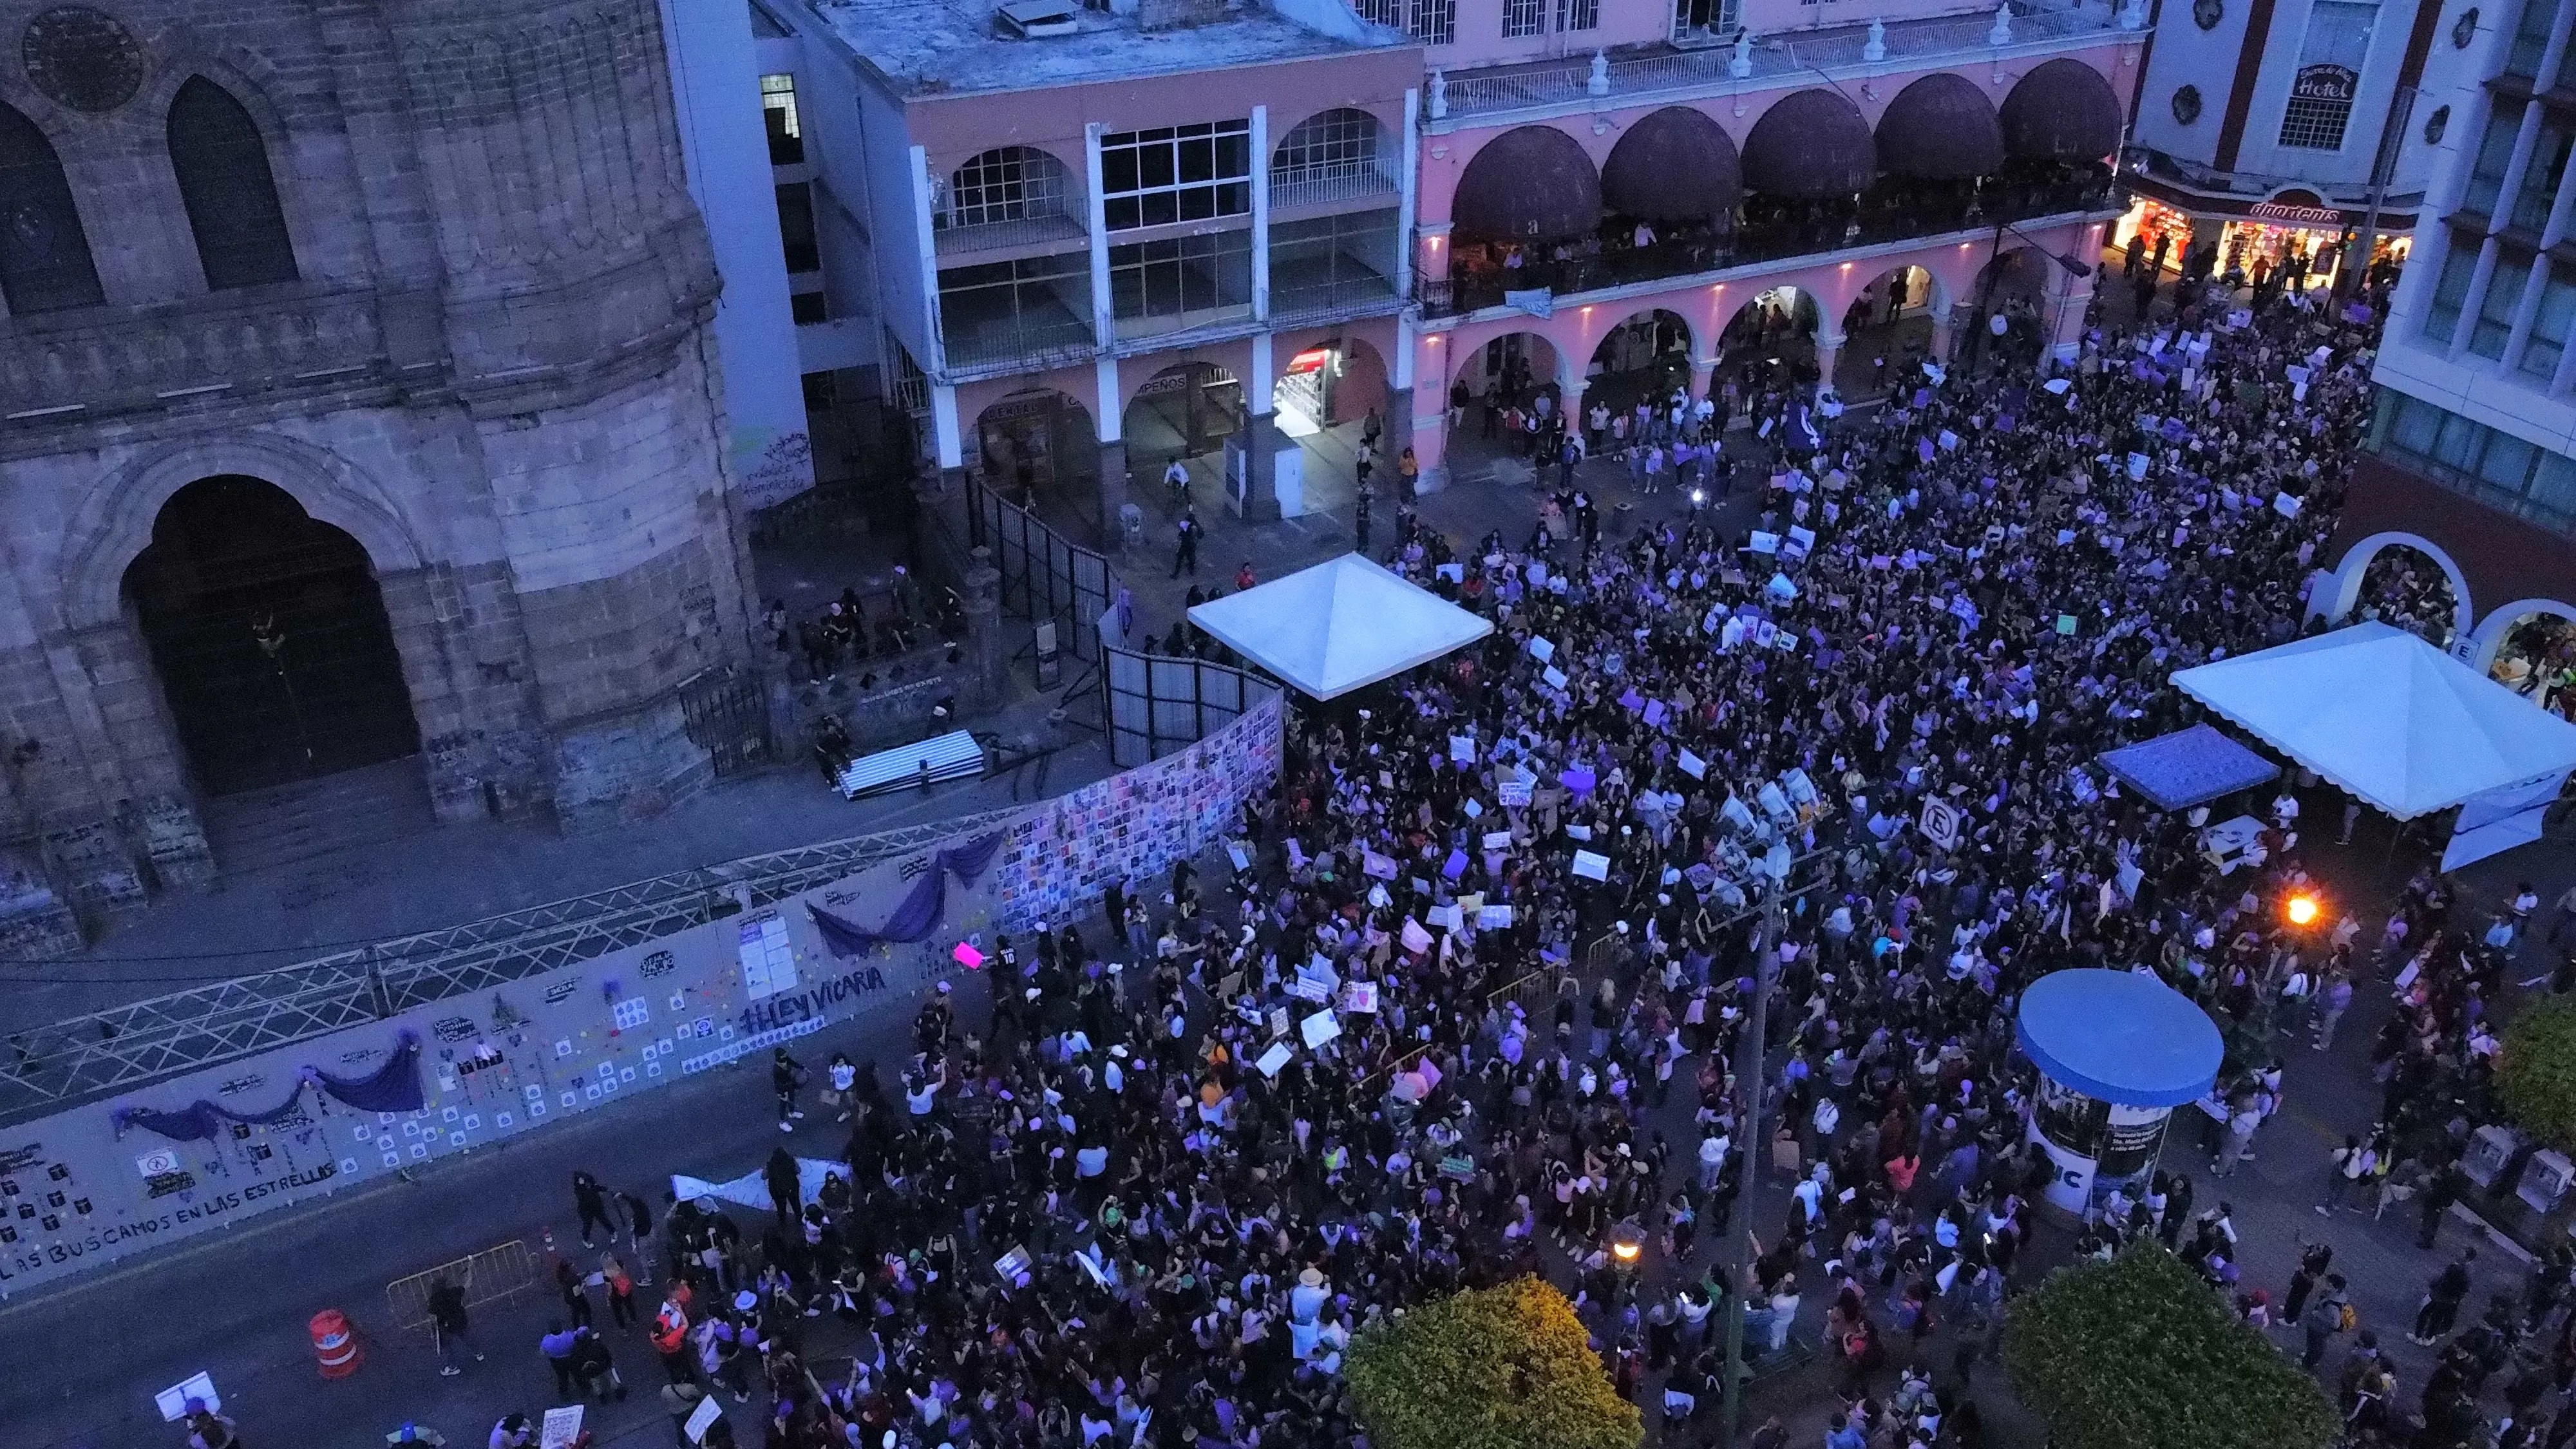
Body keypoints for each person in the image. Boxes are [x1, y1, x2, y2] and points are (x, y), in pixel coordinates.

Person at [427, 1274, 485, 1376]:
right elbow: (468, 1285)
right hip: (460, 1321)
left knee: (449, 1348)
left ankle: (453, 1367)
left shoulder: (434, 1301)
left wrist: (433, 1332)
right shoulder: (454, 1292)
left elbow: (432, 1318)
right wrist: (470, 1269)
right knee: (466, 1337)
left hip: (446, 1326)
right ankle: (478, 1353)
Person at [770, 1047, 804, 1132]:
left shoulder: (786, 1060)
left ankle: (792, 1113)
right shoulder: (776, 1069)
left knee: (792, 1099)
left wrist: (802, 1068)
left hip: (790, 1085)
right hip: (783, 1088)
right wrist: (781, 1093)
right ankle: (782, 1122)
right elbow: (777, 1082)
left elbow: (792, 1063)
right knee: (783, 1104)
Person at [1171, 506, 1200, 578]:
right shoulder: (1197, 526)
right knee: (1191, 558)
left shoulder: (1186, 525)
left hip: (1185, 544)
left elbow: (1181, 529)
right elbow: (1201, 534)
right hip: (1193, 544)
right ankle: (1191, 571)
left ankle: (1176, 574)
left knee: (1180, 559)